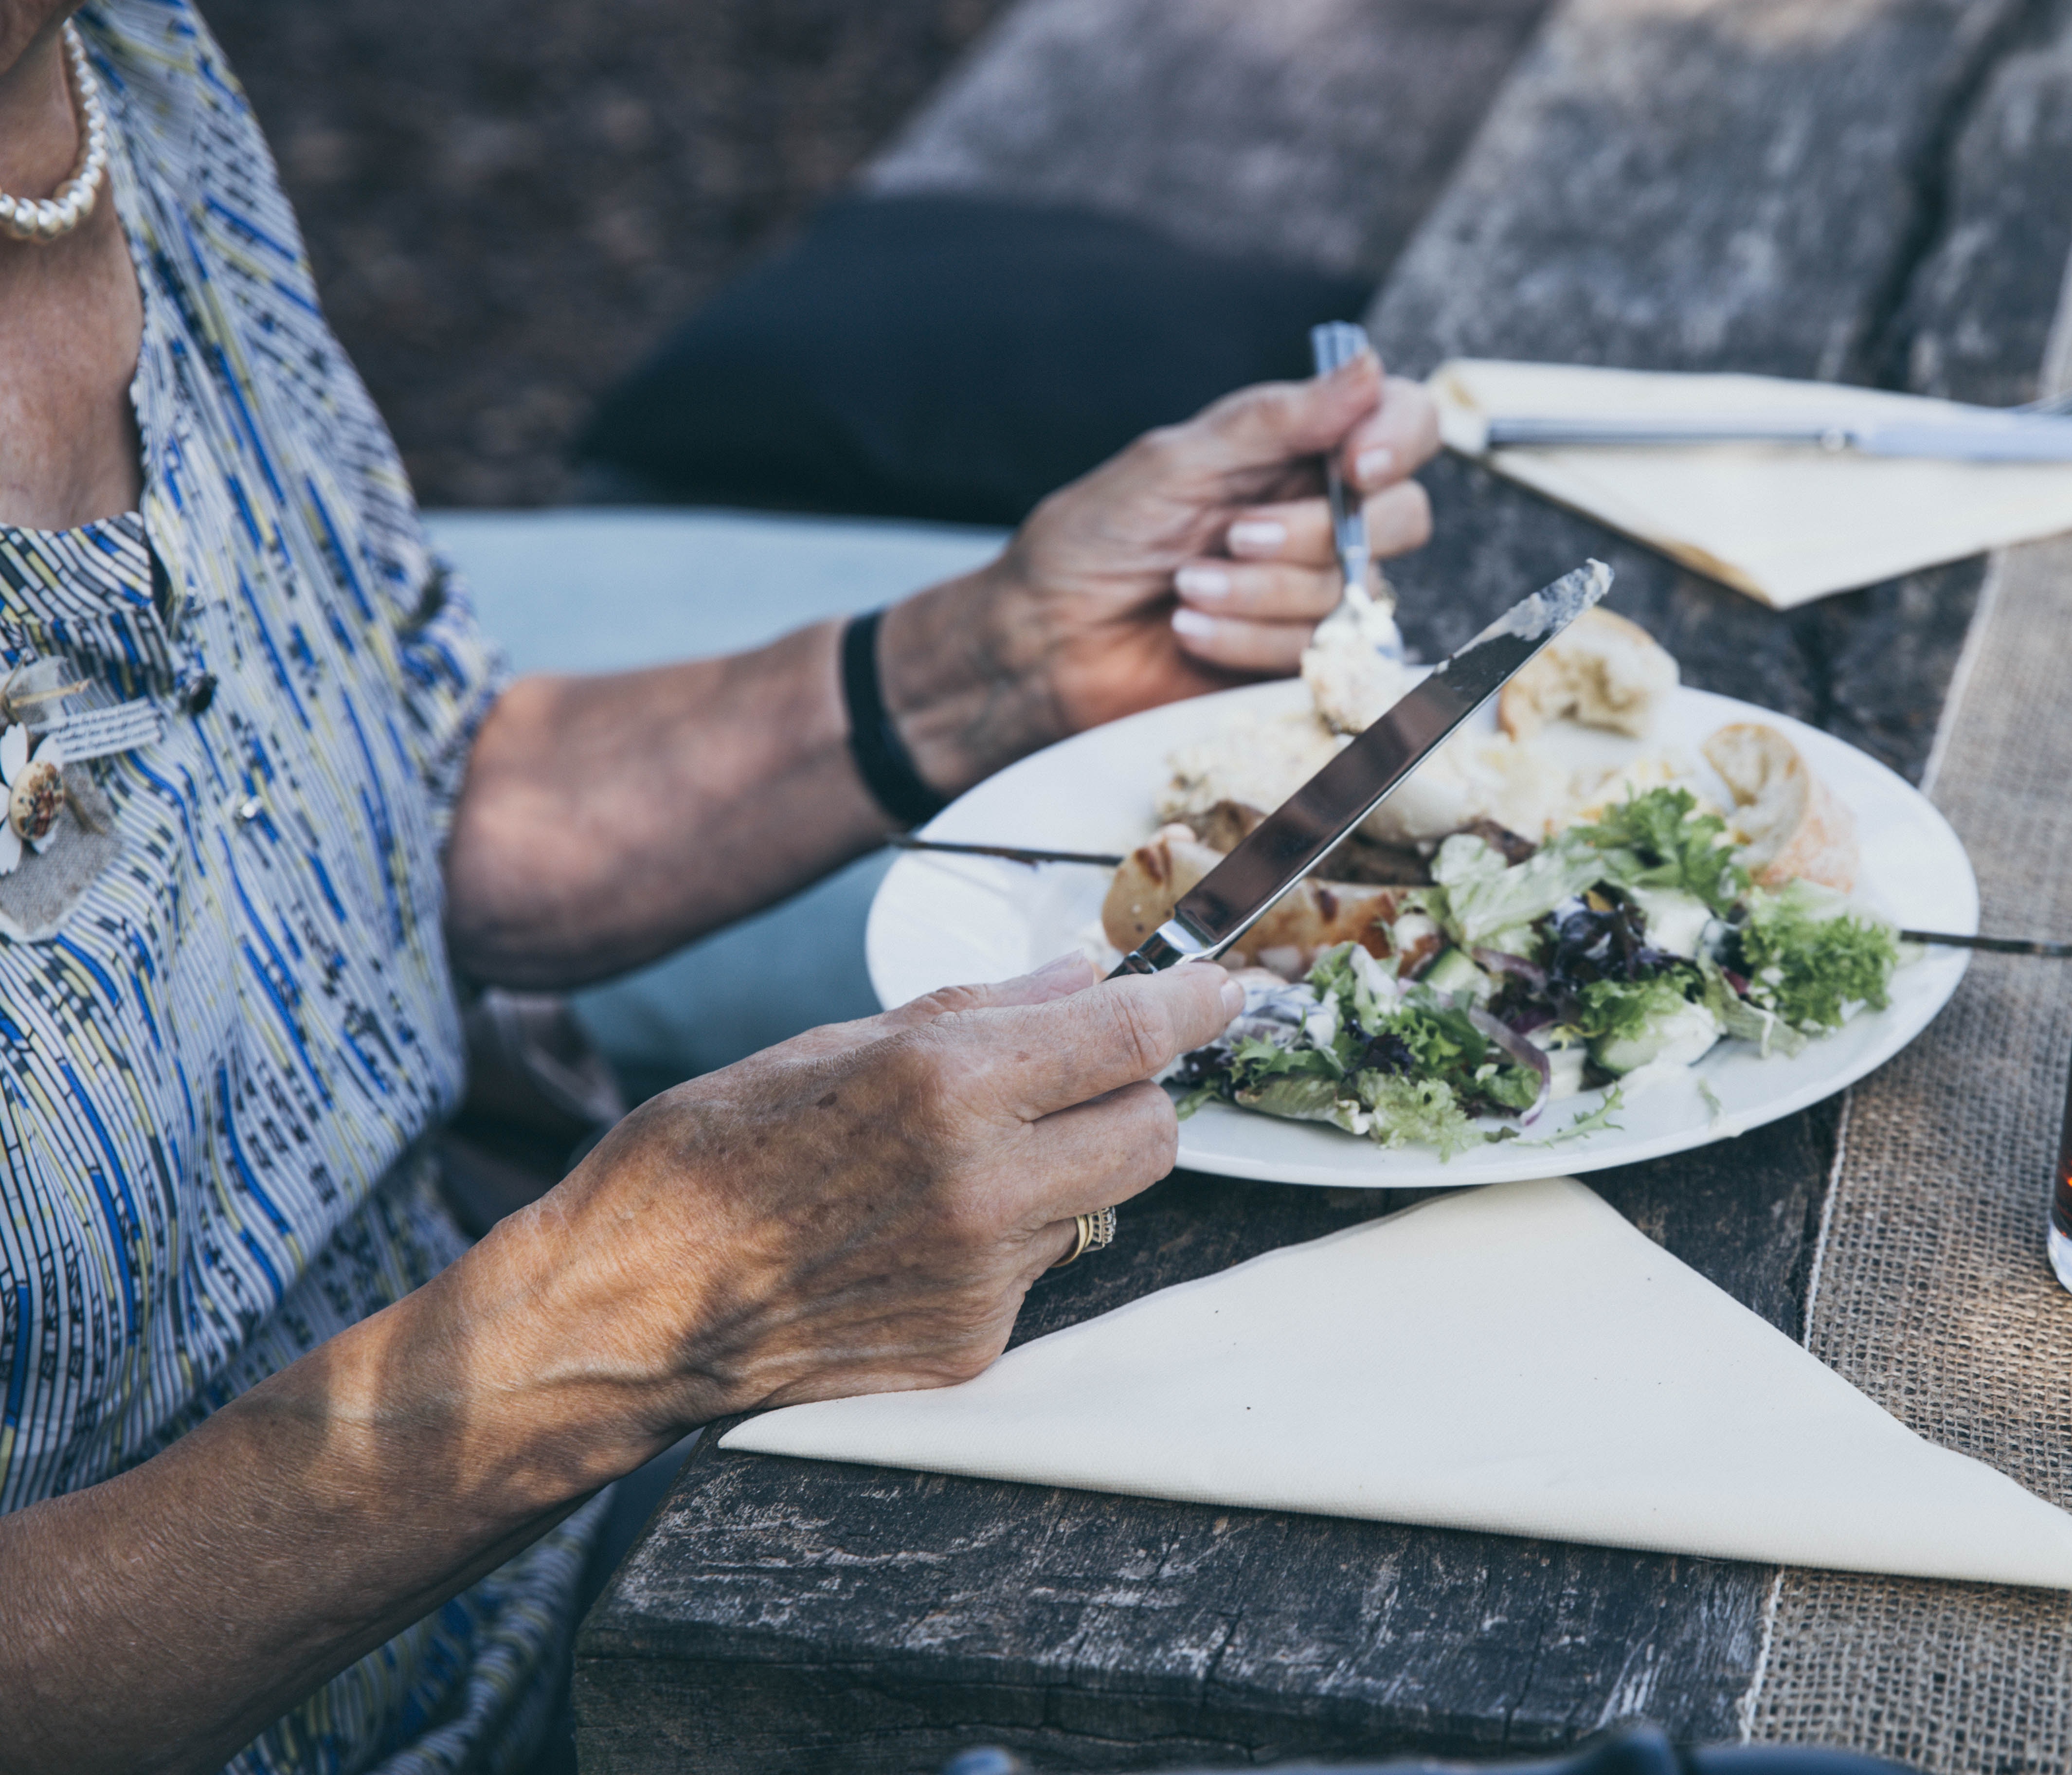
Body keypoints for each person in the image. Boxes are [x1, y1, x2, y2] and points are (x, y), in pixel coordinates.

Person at [0, 3, 1441, 1771]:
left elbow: (358, 822)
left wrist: (989, 664)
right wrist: (616, 1324)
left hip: (575, 1559)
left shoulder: (123, 74)